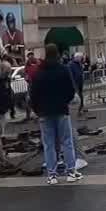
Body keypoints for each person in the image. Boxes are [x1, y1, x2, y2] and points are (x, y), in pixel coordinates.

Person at [30, 44, 80, 184]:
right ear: (57, 54)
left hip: (44, 113)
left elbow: (33, 94)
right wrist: (64, 101)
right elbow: (71, 90)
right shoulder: (63, 70)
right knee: (67, 142)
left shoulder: (39, 72)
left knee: (49, 144)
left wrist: (37, 109)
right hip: (61, 110)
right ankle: (71, 172)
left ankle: (52, 175)